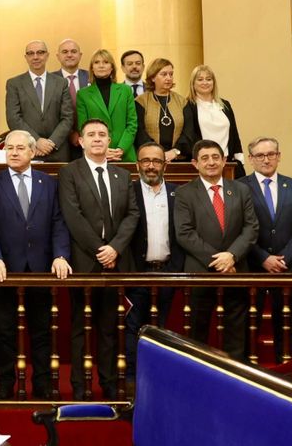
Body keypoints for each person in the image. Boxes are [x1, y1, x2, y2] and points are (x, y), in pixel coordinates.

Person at [0, 130, 72, 400]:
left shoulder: (48, 183)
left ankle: (42, 386)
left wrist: (61, 255)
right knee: (5, 330)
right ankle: (5, 385)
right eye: (10, 148)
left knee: (42, 331)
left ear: (33, 152)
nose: (14, 152)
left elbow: (58, 223)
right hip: (4, 269)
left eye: (20, 148)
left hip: (41, 269)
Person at [58, 119, 137, 400]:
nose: (97, 139)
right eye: (91, 135)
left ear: (109, 140)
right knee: (81, 327)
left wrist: (114, 248)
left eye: (102, 134)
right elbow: (72, 215)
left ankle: (109, 383)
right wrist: (100, 249)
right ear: (81, 141)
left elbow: (132, 215)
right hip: (84, 262)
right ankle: (80, 386)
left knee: (108, 328)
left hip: (116, 262)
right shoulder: (70, 173)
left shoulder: (122, 175)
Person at [174, 139, 258, 362]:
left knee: (237, 330)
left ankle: (235, 378)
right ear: (195, 164)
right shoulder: (184, 193)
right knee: (197, 332)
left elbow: (251, 227)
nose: (211, 162)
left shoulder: (241, 190)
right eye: (204, 158)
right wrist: (218, 261)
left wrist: (232, 256)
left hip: (237, 269)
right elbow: (184, 233)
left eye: (215, 157)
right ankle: (200, 379)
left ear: (223, 160)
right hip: (200, 272)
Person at [239, 136, 292, 360]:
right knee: (250, 326)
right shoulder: (239, 187)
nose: (266, 159)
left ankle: (284, 371)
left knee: (285, 327)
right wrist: (263, 258)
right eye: (260, 155)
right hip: (253, 267)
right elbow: (239, 229)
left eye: (271, 154)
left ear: (278, 157)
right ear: (251, 159)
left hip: (287, 268)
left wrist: (283, 258)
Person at [124, 141, 181, 382]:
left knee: (162, 329)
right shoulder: (128, 191)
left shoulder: (179, 193)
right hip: (137, 272)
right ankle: (133, 381)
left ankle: (159, 380)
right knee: (133, 329)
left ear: (164, 165)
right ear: (138, 165)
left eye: (156, 161)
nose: (151, 166)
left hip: (168, 272)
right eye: (145, 161)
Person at [4, 40, 74, 161]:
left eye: (40, 52)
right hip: (28, 150)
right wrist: (36, 141)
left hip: (58, 150)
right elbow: (13, 118)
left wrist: (51, 142)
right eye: (31, 53)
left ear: (47, 55)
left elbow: (67, 117)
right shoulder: (14, 84)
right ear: (26, 57)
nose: (35, 57)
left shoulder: (61, 83)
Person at [74, 50, 139, 161]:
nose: (101, 65)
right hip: (96, 154)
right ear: (92, 68)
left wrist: (121, 149)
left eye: (105, 62)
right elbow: (83, 128)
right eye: (97, 62)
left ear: (112, 67)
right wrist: (103, 150)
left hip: (125, 154)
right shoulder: (83, 94)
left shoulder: (125, 90)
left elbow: (132, 124)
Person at [179, 65, 244, 176]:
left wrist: (240, 159)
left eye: (209, 79)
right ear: (193, 83)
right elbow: (188, 135)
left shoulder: (225, 105)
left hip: (227, 162)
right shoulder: (188, 105)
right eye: (200, 79)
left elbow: (234, 134)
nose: (205, 82)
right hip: (204, 164)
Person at [137, 58, 188, 162]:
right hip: (150, 158)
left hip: (178, 158)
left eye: (171, 74)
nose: (168, 78)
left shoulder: (182, 101)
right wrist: (156, 152)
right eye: (164, 74)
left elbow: (188, 131)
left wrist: (175, 151)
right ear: (153, 78)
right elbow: (139, 131)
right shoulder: (141, 101)